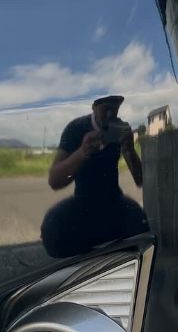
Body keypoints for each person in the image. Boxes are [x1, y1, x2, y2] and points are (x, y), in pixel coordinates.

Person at [40, 95, 148, 257]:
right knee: (52, 229)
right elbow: (55, 181)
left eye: (115, 109)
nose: (110, 115)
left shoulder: (119, 129)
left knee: (141, 226)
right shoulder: (76, 128)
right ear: (94, 107)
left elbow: (140, 180)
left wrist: (129, 150)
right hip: (83, 202)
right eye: (106, 109)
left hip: (114, 200)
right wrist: (82, 152)